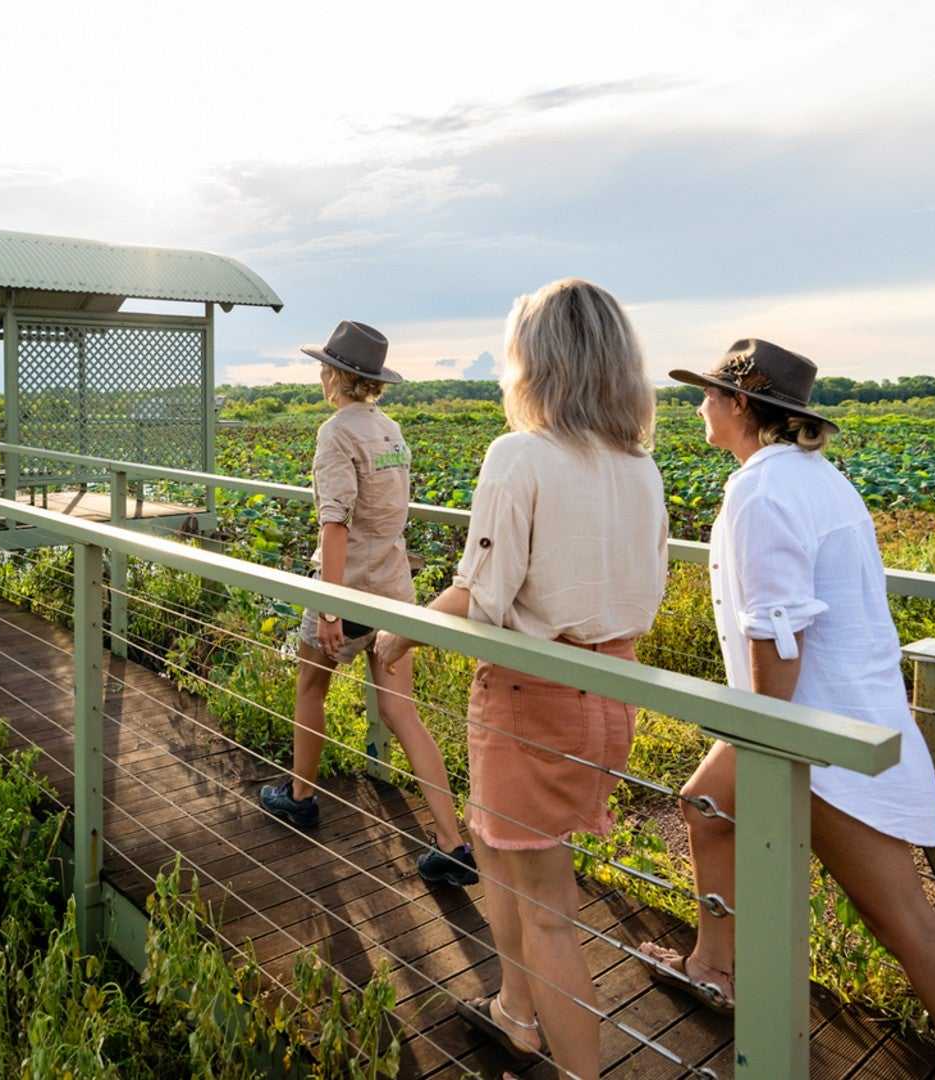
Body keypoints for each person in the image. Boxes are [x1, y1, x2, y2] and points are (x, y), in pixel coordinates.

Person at [639, 340, 935, 1078]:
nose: (699, 408)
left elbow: (779, 634)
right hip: (834, 715)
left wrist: (765, 739)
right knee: (703, 805)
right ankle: (714, 965)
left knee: (908, 927)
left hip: (817, 735)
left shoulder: (759, 490)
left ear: (743, 405)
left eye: (709, 395)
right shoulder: (816, 478)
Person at [374, 279, 668, 1078]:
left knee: (552, 915)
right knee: (499, 851)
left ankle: (576, 1069)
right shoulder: (641, 467)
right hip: (614, 690)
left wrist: (396, 636)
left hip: (530, 698)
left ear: (533, 363)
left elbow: (482, 594)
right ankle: (515, 1010)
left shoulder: (520, 457)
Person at [257, 319, 477, 889]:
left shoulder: (336, 433)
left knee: (311, 686)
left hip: (347, 587)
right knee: (402, 712)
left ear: (336, 375)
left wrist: (328, 609)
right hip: (394, 587)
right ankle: (453, 843)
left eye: (324, 366)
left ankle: (301, 796)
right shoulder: (392, 431)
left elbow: (334, 524)